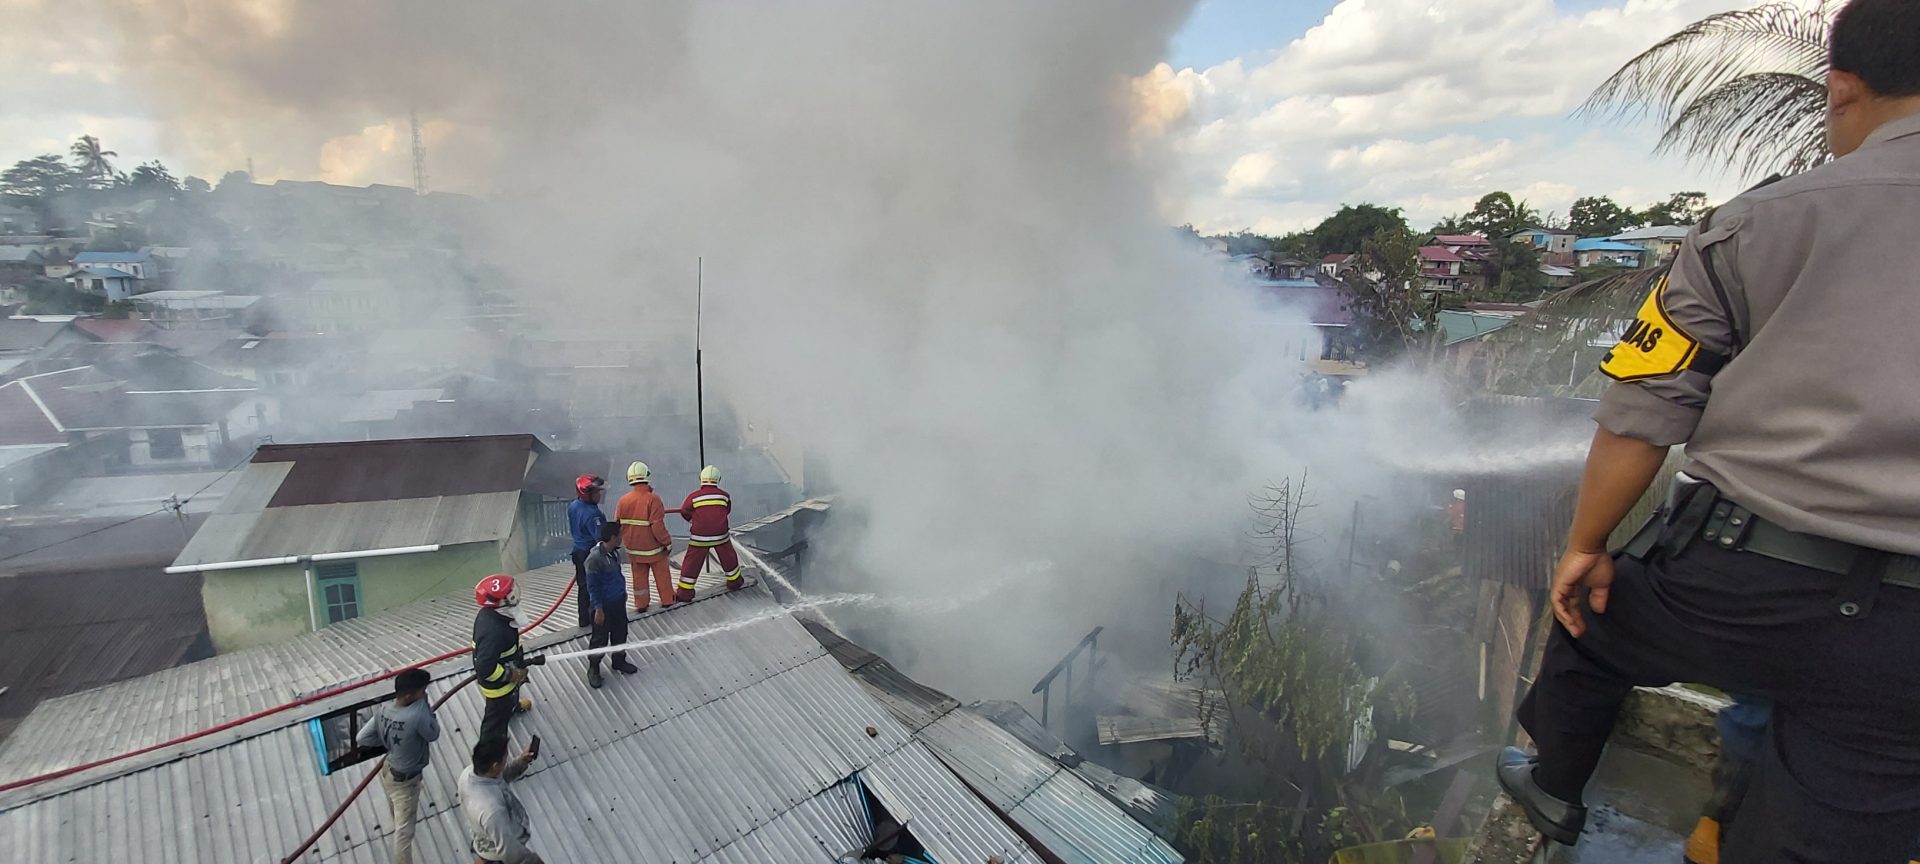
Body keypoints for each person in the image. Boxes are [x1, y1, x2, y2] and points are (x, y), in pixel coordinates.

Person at [1497, 2, 1920, 859]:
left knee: (1590, 617)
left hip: (1736, 583)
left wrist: (1586, 543)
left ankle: (1555, 786)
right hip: (1904, 641)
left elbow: (1640, 412)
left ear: (1841, 89)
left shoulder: (1755, 223)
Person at [353, 667, 439, 864]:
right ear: (409, 695)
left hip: (389, 771)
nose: (424, 693)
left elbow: (362, 738)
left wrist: (389, 742)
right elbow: (434, 734)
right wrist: (425, 707)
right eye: (422, 691)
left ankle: (398, 819)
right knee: (404, 834)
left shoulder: (384, 710)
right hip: (406, 783)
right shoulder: (417, 715)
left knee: (397, 813)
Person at [473, 574, 541, 751]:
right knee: (495, 723)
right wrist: (511, 675)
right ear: (500, 602)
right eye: (510, 593)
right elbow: (485, 668)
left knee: (513, 695)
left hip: (510, 670)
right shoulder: (493, 631)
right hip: (499, 689)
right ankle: (488, 761)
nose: (515, 594)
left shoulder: (496, 614)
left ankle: (514, 706)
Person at [459, 735, 542, 864]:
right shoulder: (492, 810)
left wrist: (522, 761)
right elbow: (510, 851)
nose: (506, 760)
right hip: (496, 855)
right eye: (505, 758)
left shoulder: (469, 773)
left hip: (485, 841)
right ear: (495, 765)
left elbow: (502, 775)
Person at [675, 464, 744, 602]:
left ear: (701, 479)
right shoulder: (724, 496)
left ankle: (685, 592)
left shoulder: (694, 497)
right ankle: (734, 582)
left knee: (692, 562)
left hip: (699, 535)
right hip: (720, 534)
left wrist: (693, 520)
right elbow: (726, 510)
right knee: (728, 556)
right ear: (718, 479)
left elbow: (684, 511)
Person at [582, 523, 639, 689]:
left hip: (617, 603)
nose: (622, 538)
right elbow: (592, 587)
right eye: (619, 535)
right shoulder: (594, 559)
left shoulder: (614, 553)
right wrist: (598, 609)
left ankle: (619, 661)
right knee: (599, 639)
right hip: (603, 607)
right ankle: (594, 668)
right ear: (613, 538)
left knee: (620, 633)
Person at [615, 460, 675, 611]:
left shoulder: (623, 501)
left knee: (639, 579)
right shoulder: (653, 499)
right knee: (662, 575)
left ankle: (641, 604)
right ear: (646, 476)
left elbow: (618, 524)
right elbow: (657, 526)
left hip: (633, 550)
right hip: (653, 549)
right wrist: (667, 542)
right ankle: (667, 600)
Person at [567, 474, 607, 629]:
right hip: (590, 554)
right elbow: (600, 537)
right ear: (587, 494)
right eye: (596, 492)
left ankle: (584, 620)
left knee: (583, 588)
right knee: (595, 587)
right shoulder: (593, 514)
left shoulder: (574, 505)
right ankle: (595, 621)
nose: (599, 494)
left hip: (578, 551)